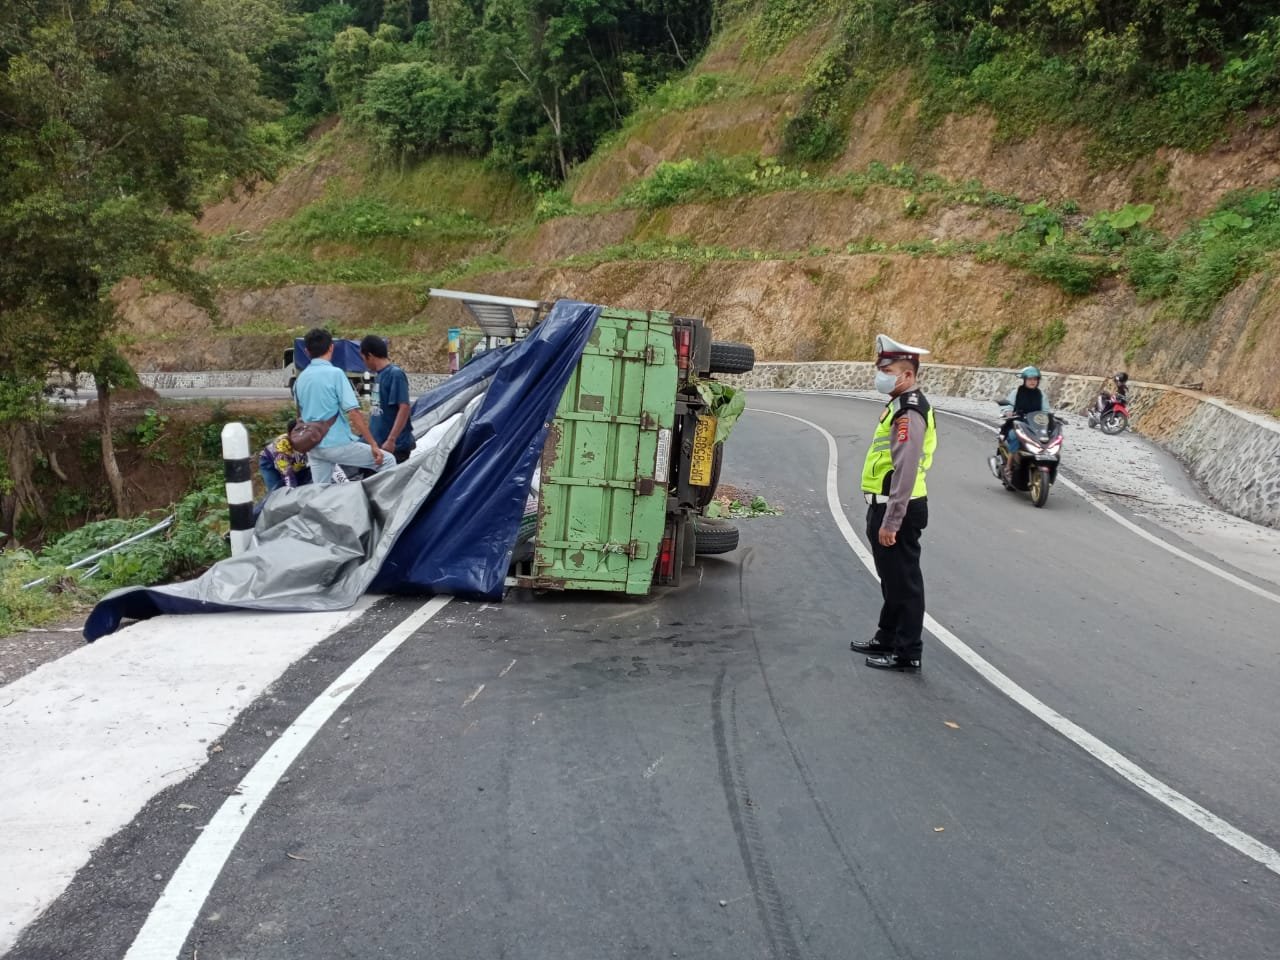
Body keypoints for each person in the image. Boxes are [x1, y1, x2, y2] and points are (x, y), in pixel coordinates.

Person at [850, 334, 937, 672]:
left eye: (887, 371)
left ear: (908, 375)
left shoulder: (909, 412)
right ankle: (886, 636)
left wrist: (892, 520)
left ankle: (907, 652)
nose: (880, 375)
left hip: (898, 507)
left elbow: (906, 468)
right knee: (890, 578)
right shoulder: (898, 406)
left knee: (905, 582)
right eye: (880, 369)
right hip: (885, 504)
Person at [293, 327, 395, 484]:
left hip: (313, 446)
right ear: (331, 348)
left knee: (320, 490)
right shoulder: (336, 374)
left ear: (306, 351)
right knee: (387, 460)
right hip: (336, 443)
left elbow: (300, 414)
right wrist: (373, 445)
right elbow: (353, 413)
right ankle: (384, 499)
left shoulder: (300, 379)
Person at [360, 334, 416, 464]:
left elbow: (404, 407)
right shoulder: (379, 376)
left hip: (393, 448)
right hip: (379, 447)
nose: (364, 363)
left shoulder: (395, 374)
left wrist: (391, 440)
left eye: (363, 359)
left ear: (370, 356)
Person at [998, 365, 1050, 455]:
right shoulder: (1016, 392)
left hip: (1035, 425)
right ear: (1024, 380)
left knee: (1048, 439)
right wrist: (1008, 412)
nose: (1032, 382)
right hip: (1018, 423)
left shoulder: (1041, 395)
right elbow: (1008, 405)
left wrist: (1048, 418)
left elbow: (1045, 411)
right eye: (1030, 379)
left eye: (1035, 379)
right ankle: (1010, 461)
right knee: (1014, 436)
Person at [258, 420, 312, 492]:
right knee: (276, 491)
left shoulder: (311, 440)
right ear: (289, 434)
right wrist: (291, 489)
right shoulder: (281, 446)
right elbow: (286, 472)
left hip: (295, 463)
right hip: (270, 462)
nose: (301, 433)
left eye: (304, 430)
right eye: (297, 430)